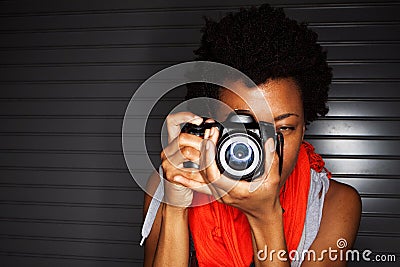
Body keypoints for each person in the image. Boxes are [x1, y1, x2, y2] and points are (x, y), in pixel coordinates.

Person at [143, 4, 361, 267]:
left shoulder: (335, 203)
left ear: (305, 127)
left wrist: (266, 218)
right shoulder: (169, 180)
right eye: (243, 129)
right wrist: (176, 209)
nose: (265, 148)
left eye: (283, 129)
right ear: (212, 125)